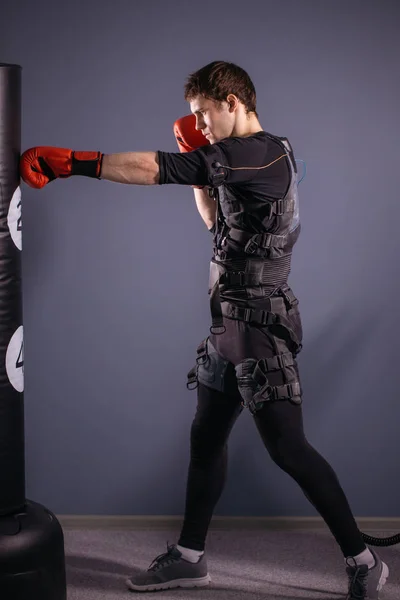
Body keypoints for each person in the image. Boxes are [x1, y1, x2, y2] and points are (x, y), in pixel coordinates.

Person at [20, 61, 389, 600]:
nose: (200, 124)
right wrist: (199, 168)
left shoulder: (259, 151)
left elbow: (155, 170)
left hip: (261, 329)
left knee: (289, 449)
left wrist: (75, 164)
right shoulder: (240, 162)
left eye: (203, 114)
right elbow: (216, 223)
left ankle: (364, 562)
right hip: (226, 327)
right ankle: (190, 558)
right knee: (205, 440)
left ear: (233, 101)